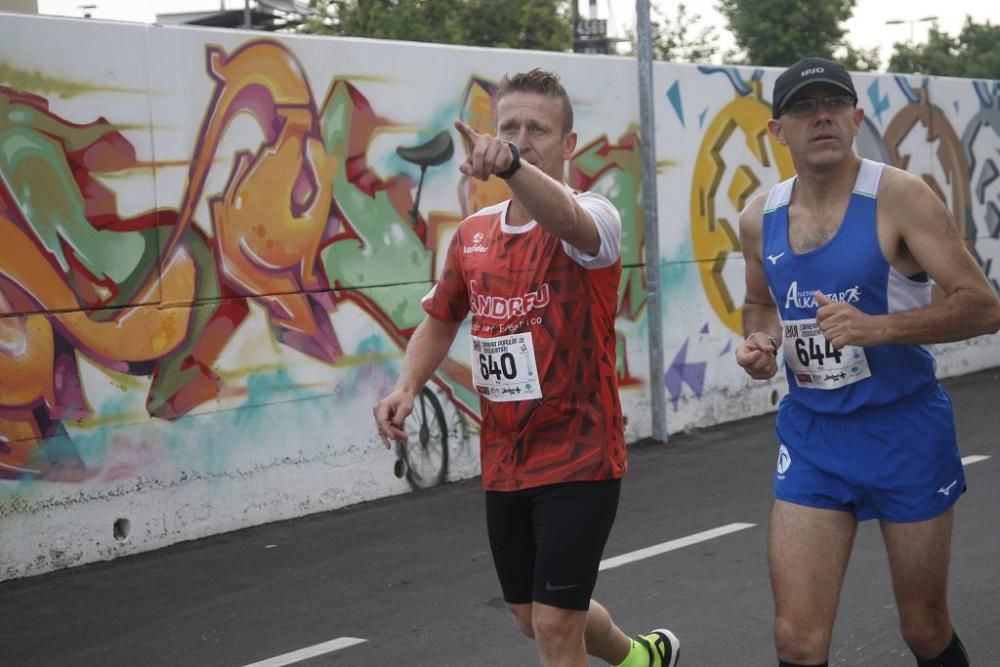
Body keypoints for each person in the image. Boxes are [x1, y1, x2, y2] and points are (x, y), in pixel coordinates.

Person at [373, 68, 680, 667]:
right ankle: (640, 658)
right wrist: (408, 385)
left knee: (554, 626)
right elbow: (441, 318)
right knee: (530, 617)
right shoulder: (473, 235)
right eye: (508, 127)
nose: (519, 139)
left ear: (568, 145)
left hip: (582, 457)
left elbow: (566, 221)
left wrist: (512, 164)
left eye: (536, 130)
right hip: (507, 458)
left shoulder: (595, 218)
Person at [736, 57, 1000, 667]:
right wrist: (762, 343)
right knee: (796, 639)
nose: (820, 115)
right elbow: (758, 304)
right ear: (779, 130)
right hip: (813, 437)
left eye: (834, 104)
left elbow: (984, 307)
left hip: (904, 431)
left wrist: (878, 329)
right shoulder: (759, 217)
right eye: (804, 107)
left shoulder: (900, 196)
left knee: (924, 630)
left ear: (856, 118)